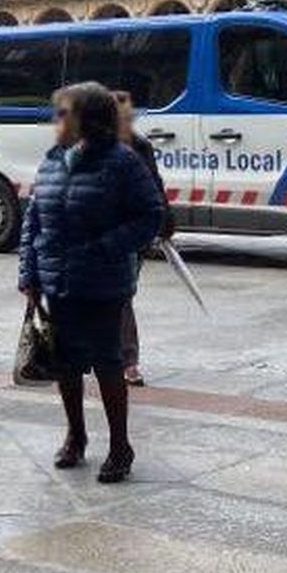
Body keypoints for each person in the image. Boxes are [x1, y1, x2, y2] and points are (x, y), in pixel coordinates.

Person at [19, 82, 163, 484]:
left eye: (63, 113)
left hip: (101, 281)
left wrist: (107, 248)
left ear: (89, 119)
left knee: (107, 363)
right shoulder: (52, 160)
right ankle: (75, 435)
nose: (56, 122)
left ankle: (120, 446)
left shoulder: (121, 162)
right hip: (56, 280)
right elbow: (33, 219)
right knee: (65, 363)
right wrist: (29, 272)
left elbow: (149, 215)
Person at [114, 91, 174, 386]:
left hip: (131, 236)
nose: (127, 121)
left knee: (122, 295)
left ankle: (127, 360)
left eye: (129, 116)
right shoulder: (86, 147)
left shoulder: (140, 146)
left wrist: (164, 220)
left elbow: (155, 185)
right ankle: (117, 357)